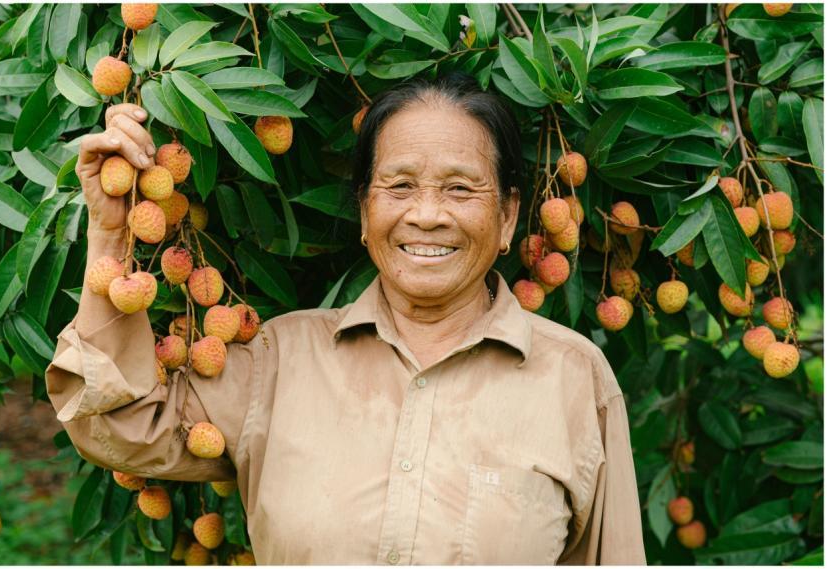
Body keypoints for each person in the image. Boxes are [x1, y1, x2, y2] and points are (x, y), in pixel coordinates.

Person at [47, 72, 645, 564]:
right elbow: (118, 428)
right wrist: (109, 229)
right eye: (400, 185)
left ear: (510, 217)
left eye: (461, 189)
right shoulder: (279, 361)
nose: (428, 214)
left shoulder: (574, 379)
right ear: (364, 211)